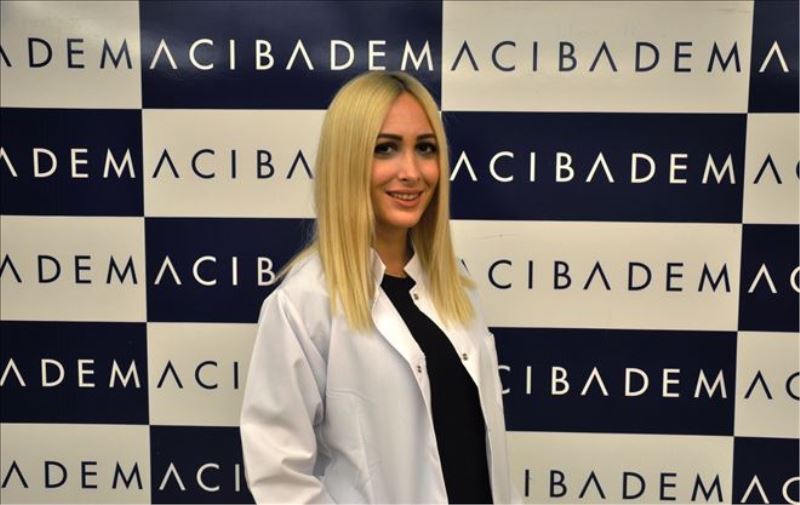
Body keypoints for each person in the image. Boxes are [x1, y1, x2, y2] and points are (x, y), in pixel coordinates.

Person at [240, 71, 520, 504]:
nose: (412, 172)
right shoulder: (304, 302)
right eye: (385, 149)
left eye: (425, 148)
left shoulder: (454, 286)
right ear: (347, 160)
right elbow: (279, 475)